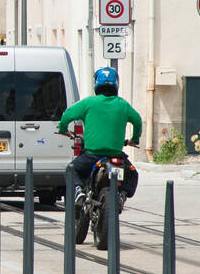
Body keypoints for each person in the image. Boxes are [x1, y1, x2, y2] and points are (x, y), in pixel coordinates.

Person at [58, 67, 142, 206]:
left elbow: (66, 116)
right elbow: (137, 121)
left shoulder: (89, 103)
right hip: (116, 156)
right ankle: (122, 194)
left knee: (71, 169)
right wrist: (134, 139)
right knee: (132, 174)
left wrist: (63, 129)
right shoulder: (123, 105)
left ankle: (78, 190)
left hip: (92, 155)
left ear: (96, 84)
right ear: (116, 84)